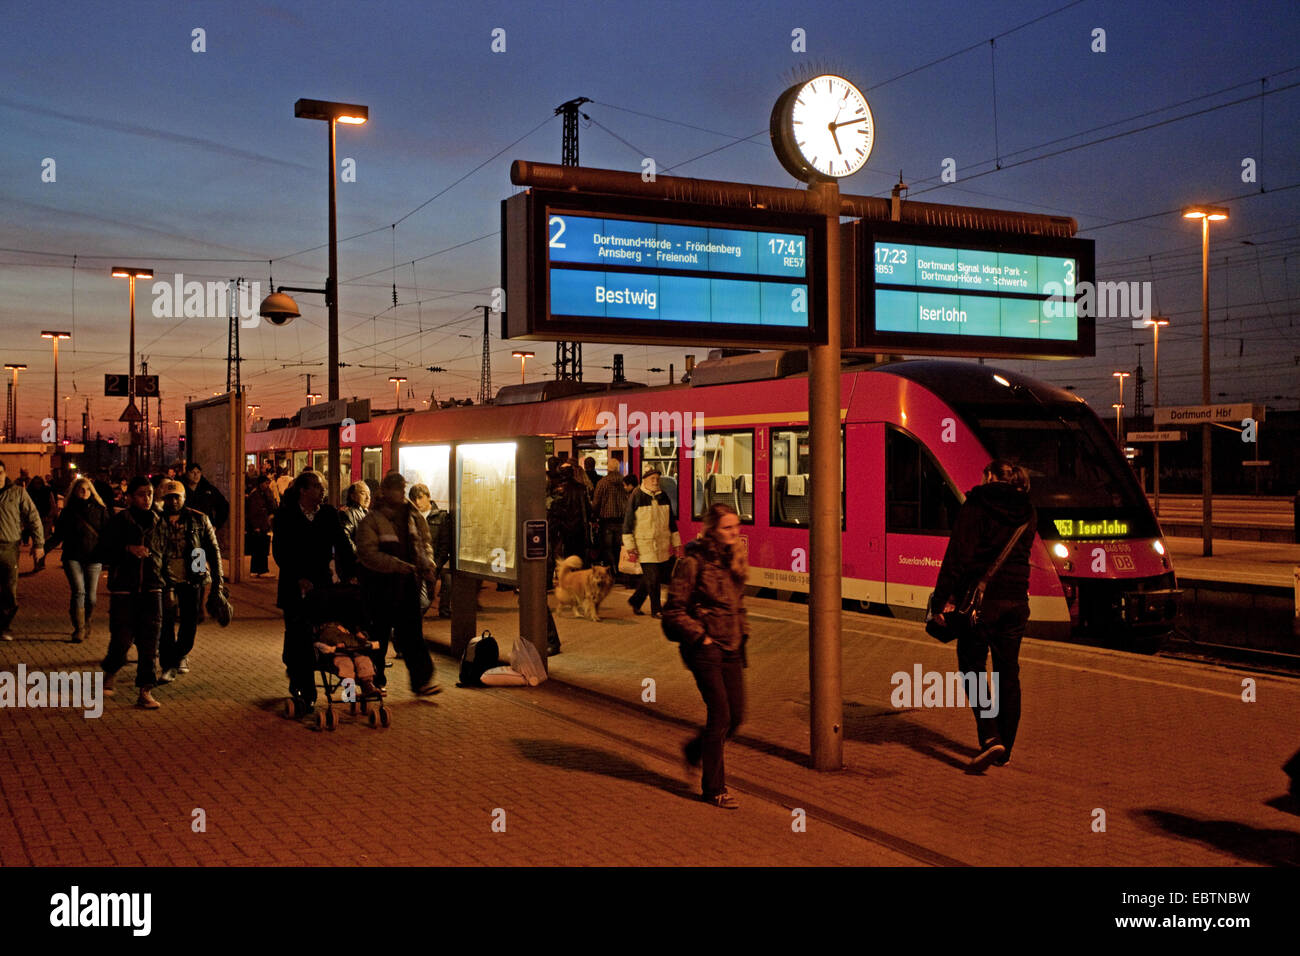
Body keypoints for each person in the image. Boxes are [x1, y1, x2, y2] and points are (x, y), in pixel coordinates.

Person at [932, 459, 1036, 774]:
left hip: (979, 603)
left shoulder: (976, 504)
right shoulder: (1028, 510)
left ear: (989, 476)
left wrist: (940, 601)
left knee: (972, 666)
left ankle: (990, 735)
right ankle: (1005, 749)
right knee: (1008, 672)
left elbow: (958, 556)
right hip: (1017, 599)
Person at [662, 503, 749, 809]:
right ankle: (714, 789)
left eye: (736, 526)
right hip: (706, 649)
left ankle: (694, 750)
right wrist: (702, 637)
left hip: (732, 648)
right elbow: (672, 611)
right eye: (727, 527)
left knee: (736, 716)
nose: (735, 532)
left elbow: (737, 606)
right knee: (721, 716)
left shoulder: (734, 559)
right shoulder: (693, 562)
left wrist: (743, 632)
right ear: (712, 529)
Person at [356, 472, 440, 696]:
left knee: (412, 635)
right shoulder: (373, 520)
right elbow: (367, 554)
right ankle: (372, 681)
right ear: (386, 490)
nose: (401, 492)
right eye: (397, 488)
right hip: (380, 586)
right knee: (378, 636)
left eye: (403, 488)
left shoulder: (412, 515)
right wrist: (396, 565)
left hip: (407, 584)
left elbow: (423, 543)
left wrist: (427, 565)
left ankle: (421, 681)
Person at [273, 471, 348, 713]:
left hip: (322, 584)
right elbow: (281, 552)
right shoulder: (286, 516)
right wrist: (298, 578)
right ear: (303, 491)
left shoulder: (328, 514)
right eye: (316, 486)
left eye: (322, 486)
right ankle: (305, 690)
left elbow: (343, 545)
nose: (321, 490)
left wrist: (352, 572)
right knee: (299, 635)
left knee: (324, 634)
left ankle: (346, 689)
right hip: (294, 586)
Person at [99, 477, 166, 708]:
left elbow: (167, 552)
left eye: (149, 494)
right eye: (141, 494)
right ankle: (110, 671)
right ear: (130, 497)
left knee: (150, 644)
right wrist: (127, 549)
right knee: (121, 639)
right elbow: (103, 550)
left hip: (153, 587)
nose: (146, 499)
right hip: (124, 590)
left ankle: (145, 691)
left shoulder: (160, 521)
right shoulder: (120, 521)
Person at [155, 479, 223, 684]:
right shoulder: (156, 519)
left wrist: (218, 582)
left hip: (193, 575)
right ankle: (169, 665)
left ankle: (179, 654)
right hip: (163, 577)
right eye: (169, 497)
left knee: (190, 621)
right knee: (165, 622)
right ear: (164, 499)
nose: (173, 501)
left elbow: (212, 550)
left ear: (184, 498)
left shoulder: (199, 519)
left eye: (177, 496)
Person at [46, 476, 109, 643]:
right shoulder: (68, 512)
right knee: (79, 591)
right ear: (74, 491)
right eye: (81, 489)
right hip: (72, 556)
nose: (84, 492)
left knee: (92, 597)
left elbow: (107, 534)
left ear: (92, 491)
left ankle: (86, 620)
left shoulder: (100, 510)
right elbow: (58, 534)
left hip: (94, 557)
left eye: (87, 489)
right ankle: (79, 628)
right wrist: (43, 549)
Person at [622, 469, 681, 618]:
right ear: (645, 480)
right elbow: (628, 523)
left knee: (653, 577)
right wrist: (630, 546)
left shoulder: (663, 496)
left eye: (657, 479)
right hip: (644, 544)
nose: (655, 481)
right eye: (652, 479)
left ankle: (636, 601)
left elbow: (671, 522)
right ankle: (657, 610)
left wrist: (676, 543)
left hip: (661, 544)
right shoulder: (636, 496)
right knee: (653, 578)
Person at [0, 460, 45, 641]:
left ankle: (4, 626)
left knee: (9, 589)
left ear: (5, 474)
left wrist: (39, 543)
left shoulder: (17, 493)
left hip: (8, 547)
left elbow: (33, 517)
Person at [408, 483, 452, 618]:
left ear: (428, 497)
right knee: (421, 600)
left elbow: (445, 545)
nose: (417, 502)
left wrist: (435, 565)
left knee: (426, 599)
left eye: (420, 497)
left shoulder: (441, 517)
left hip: (433, 565)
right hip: (416, 565)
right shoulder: (410, 516)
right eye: (413, 498)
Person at [548, 462, 591, 561]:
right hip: (579, 528)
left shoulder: (557, 489)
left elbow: (554, 511)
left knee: (565, 558)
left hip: (563, 530)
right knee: (578, 557)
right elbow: (587, 510)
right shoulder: (581, 488)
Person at [592, 457, 630, 570]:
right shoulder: (624, 482)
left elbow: (596, 503)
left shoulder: (602, 483)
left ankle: (611, 569)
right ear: (618, 468)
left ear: (608, 468)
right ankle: (619, 569)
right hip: (622, 521)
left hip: (607, 521)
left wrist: (594, 515)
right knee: (619, 547)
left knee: (607, 547)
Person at [336, 481, 371, 583]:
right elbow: (344, 538)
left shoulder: (365, 513)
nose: (368, 497)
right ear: (353, 496)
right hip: (353, 568)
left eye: (369, 494)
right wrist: (359, 555)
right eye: (363, 493)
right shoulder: (348, 513)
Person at [182, 462, 230, 531]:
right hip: (186, 530)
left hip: (205, 530)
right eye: (192, 472)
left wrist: (216, 525)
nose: (196, 475)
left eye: (198, 472)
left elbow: (223, 506)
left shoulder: (208, 489)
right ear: (186, 474)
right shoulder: (181, 489)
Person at [246, 474, 276, 576]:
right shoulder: (255, 495)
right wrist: (255, 526)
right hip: (258, 524)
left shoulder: (266, 493)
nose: (267, 485)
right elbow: (253, 512)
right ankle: (259, 570)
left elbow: (272, 506)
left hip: (264, 523)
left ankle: (259, 569)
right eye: (265, 483)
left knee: (262, 547)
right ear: (260, 483)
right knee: (258, 548)